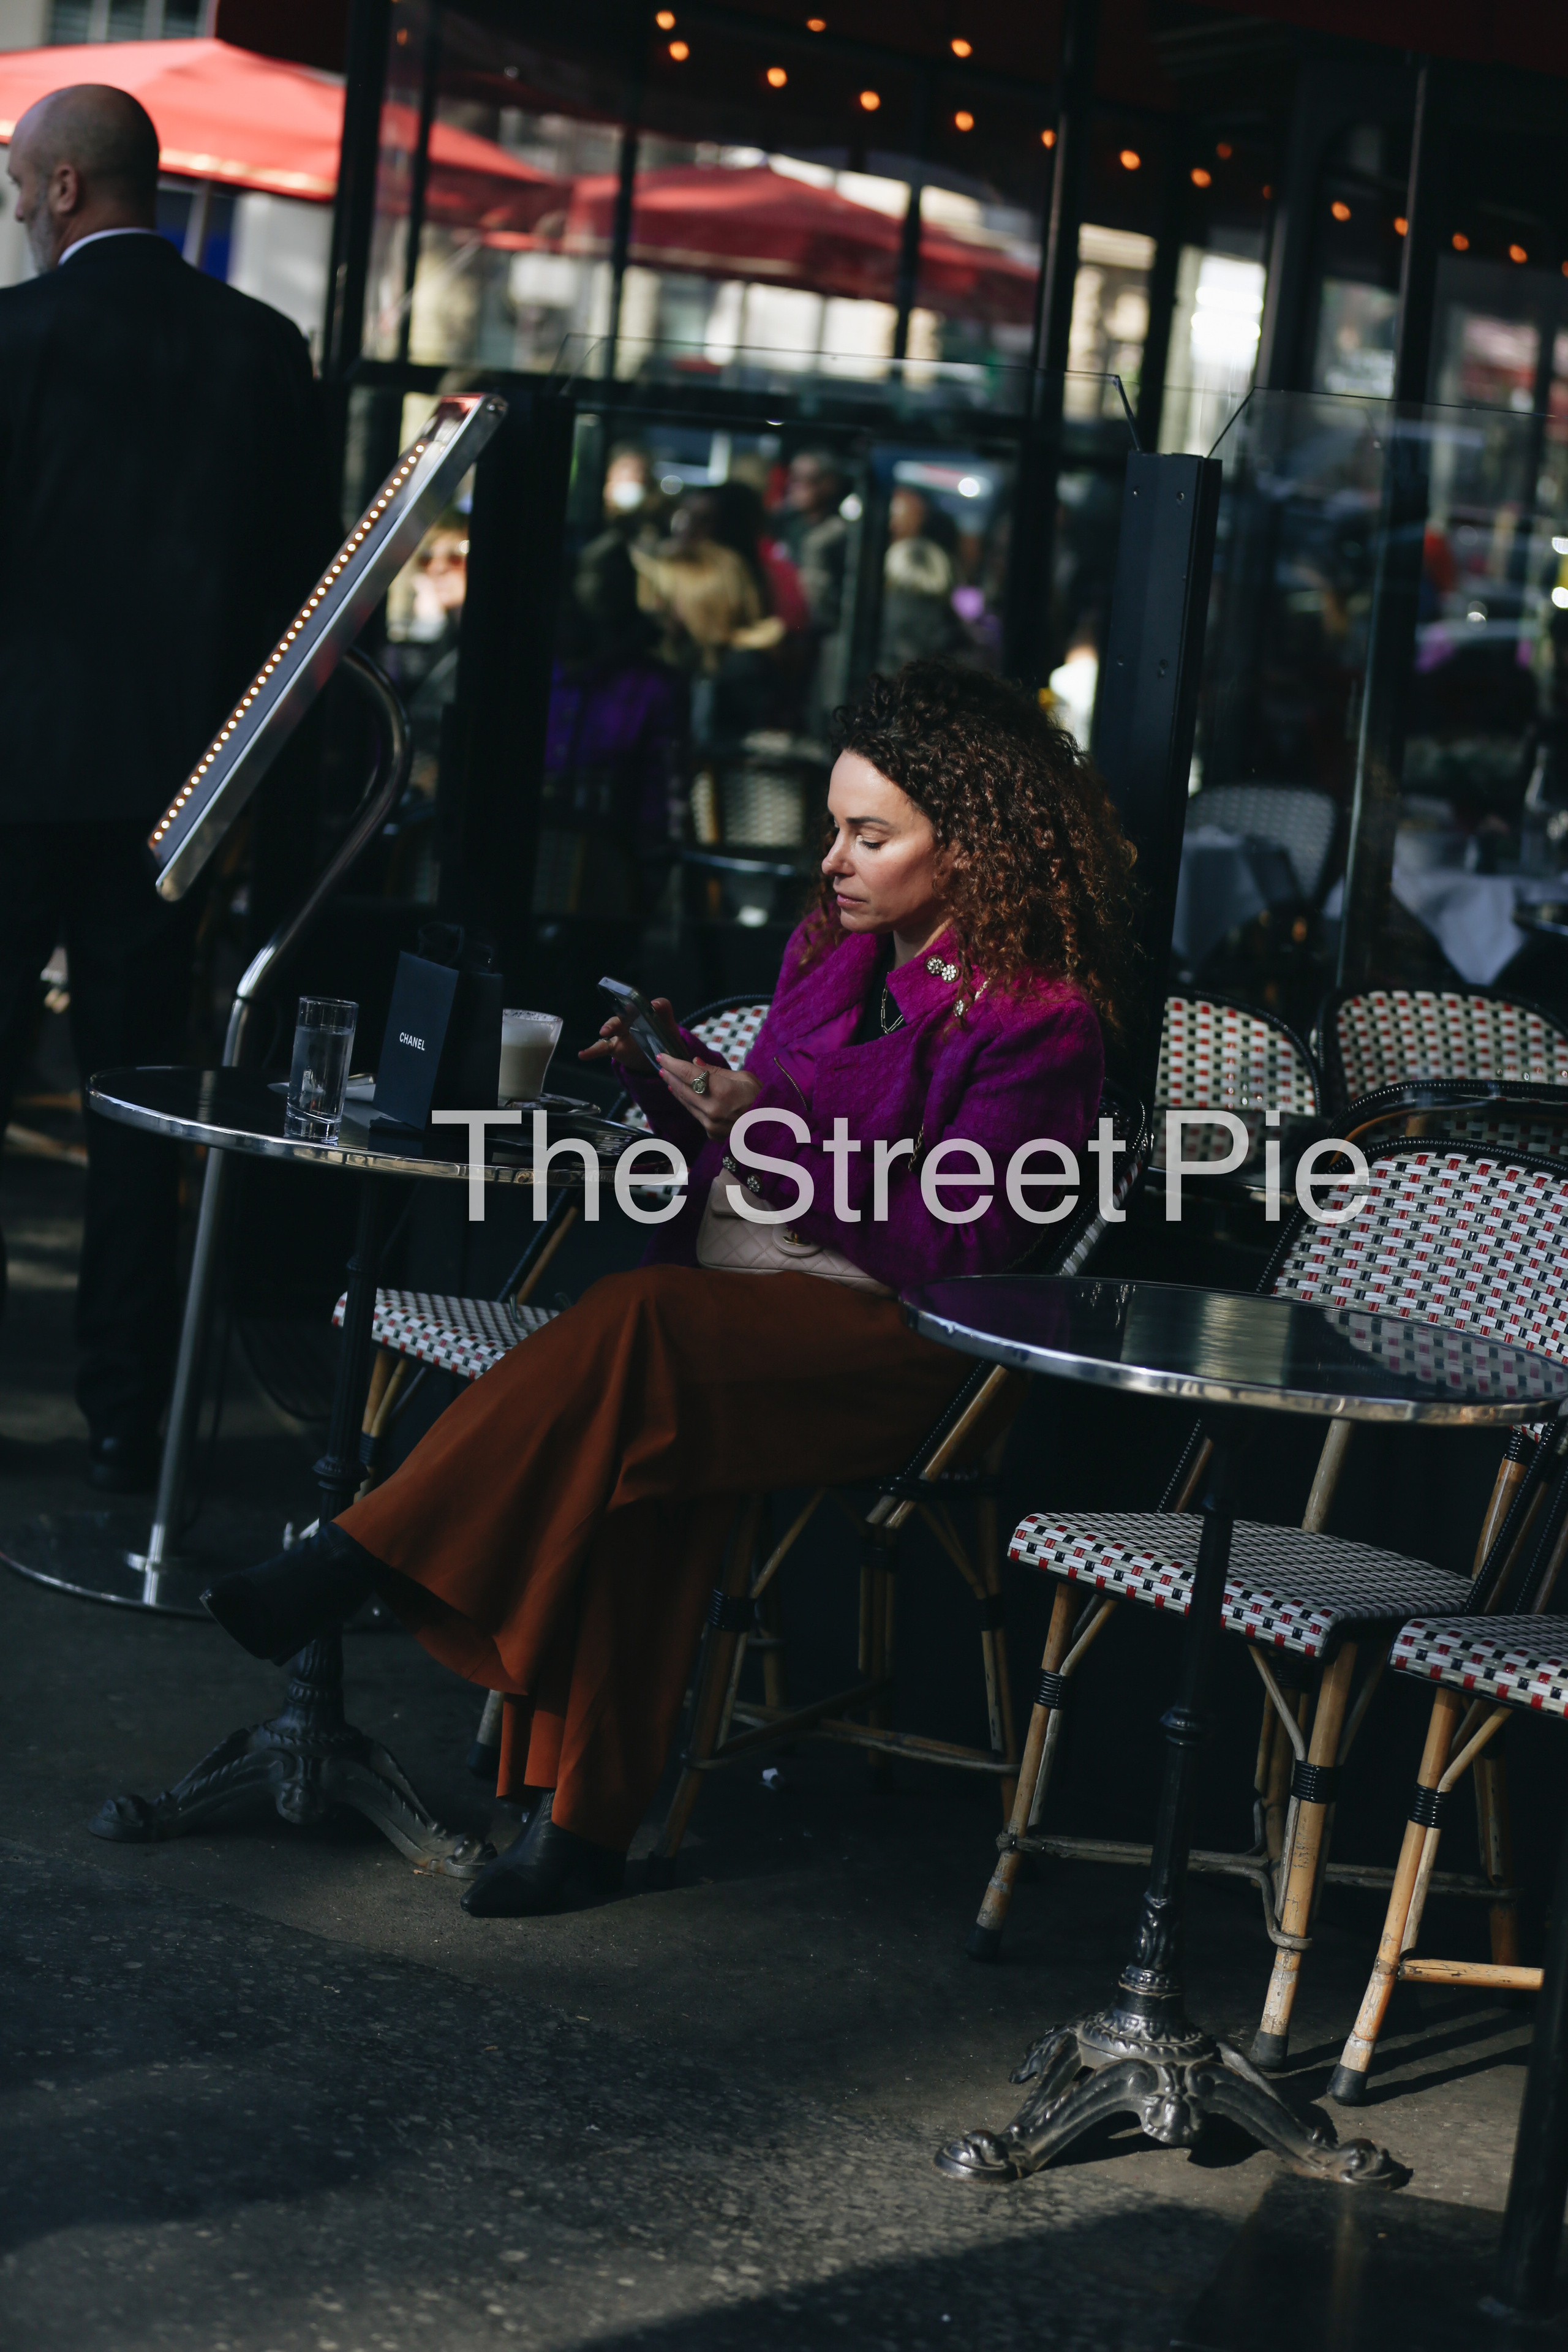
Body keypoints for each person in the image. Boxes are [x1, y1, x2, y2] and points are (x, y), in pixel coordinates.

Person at [203, 662, 1136, 1918]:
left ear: (970, 852)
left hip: (898, 1348)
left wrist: (757, 1131)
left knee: (638, 1334)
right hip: (731, 1307)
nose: (832, 862)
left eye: (869, 836)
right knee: (642, 1428)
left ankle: (360, 1555)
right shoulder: (830, 952)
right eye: (832, 830)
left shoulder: (1041, 1022)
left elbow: (940, 1249)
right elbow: (760, 1134)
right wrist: (673, 1080)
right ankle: (575, 1826)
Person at [0, 83, 334, 1491]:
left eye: (22, 186)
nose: (17, 208)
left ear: (67, 187)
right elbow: (305, 607)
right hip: (174, 806)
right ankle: (125, 1421)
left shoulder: (12, 341)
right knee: (136, 1113)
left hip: (9, 789)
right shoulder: (262, 352)